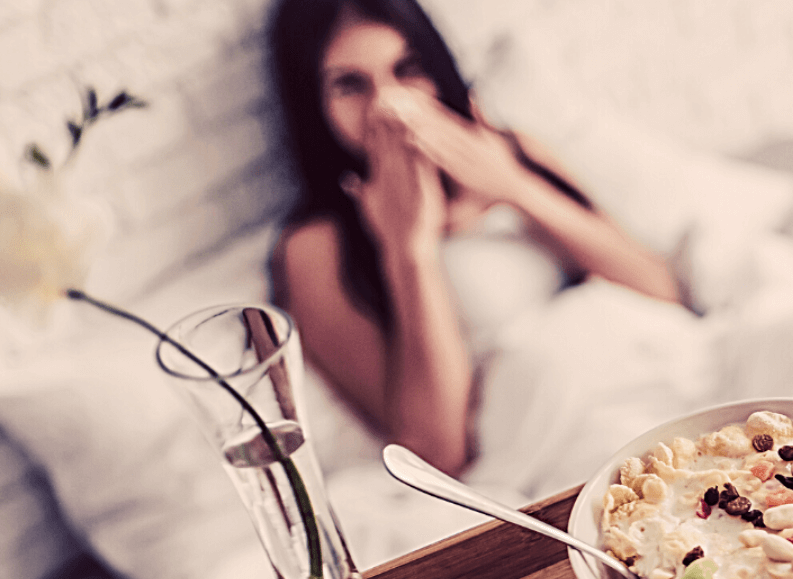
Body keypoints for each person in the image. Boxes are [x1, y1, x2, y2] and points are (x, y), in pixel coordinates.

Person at [269, 0, 680, 477]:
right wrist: (409, 249)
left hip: (660, 365)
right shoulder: (317, 247)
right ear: (313, 103)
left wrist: (513, 186)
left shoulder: (509, 149)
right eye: (350, 85)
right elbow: (434, 452)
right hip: (563, 433)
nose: (391, 106)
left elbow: (661, 289)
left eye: (408, 69)